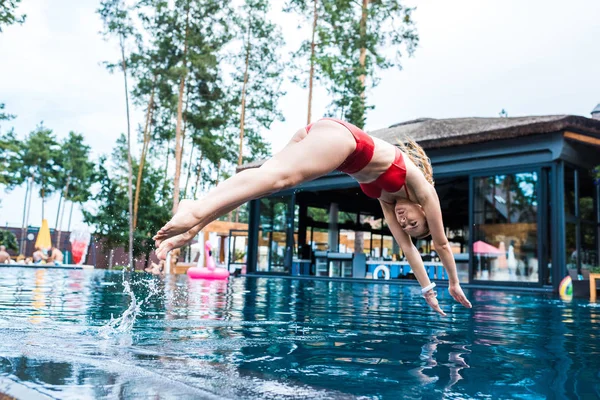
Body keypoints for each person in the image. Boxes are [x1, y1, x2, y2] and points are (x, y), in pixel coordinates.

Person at [154, 118, 472, 315]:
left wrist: (428, 290)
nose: (405, 223)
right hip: (344, 139)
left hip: (319, 135)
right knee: (281, 178)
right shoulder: (421, 187)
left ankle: (194, 220)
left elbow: (408, 250)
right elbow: (442, 245)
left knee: (264, 181)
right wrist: (453, 283)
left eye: (406, 226)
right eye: (413, 222)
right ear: (424, 211)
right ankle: (194, 210)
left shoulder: (389, 203)